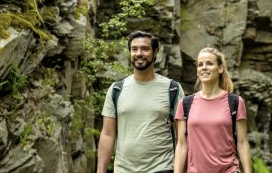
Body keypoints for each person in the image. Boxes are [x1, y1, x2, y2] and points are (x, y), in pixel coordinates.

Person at [97, 30, 185, 173]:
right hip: (123, 170)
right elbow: (107, 134)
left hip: (162, 168)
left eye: (145, 49)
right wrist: (100, 171)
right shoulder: (116, 90)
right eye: (134, 49)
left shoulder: (173, 89)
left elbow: (182, 138)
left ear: (155, 52)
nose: (139, 53)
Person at [174, 47, 252, 173]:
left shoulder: (235, 102)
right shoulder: (185, 103)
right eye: (200, 64)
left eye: (209, 63)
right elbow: (182, 145)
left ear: (220, 68)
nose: (204, 67)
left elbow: (242, 142)